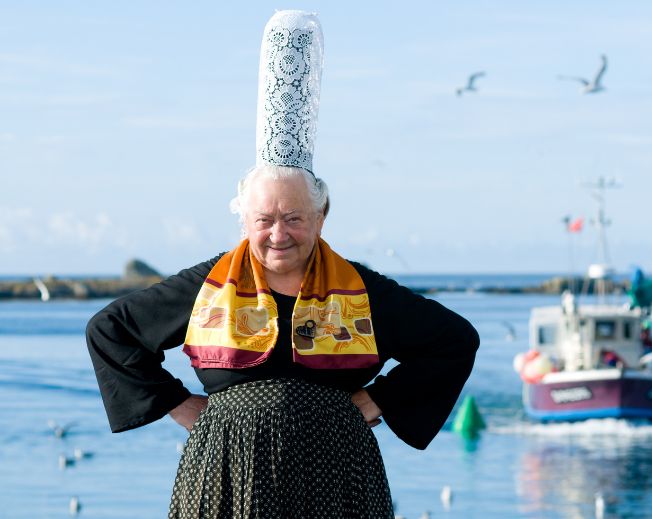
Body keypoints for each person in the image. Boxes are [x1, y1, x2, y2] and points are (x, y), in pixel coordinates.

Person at [86, 10, 479, 519]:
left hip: (338, 469)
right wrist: (181, 406)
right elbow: (109, 331)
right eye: (264, 219)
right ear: (244, 219)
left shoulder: (361, 289)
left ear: (320, 217)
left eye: (293, 217)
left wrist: (377, 400)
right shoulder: (208, 285)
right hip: (226, 466)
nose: (278, 233)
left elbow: (454, 342)